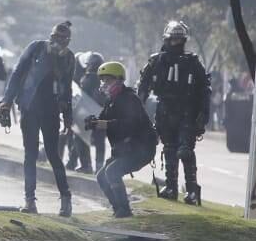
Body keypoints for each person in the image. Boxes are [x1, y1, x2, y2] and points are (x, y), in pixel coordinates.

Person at [0, 21, 75, 216]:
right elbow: (16, 74)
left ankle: (66, 200)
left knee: (53, 155)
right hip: (29, 108)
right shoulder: (36, 48)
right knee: (30, 155)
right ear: (51, 36)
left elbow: (67, 88)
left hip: (51, 111)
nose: (58, 42)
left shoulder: (69, 59)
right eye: (56, 37)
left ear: (68, 41)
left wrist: (68, 117)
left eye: (63, 39)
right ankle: (29, 201)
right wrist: (6, 101)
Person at [137, 20, 211, 205]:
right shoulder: (156, 61)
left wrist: (203, 114)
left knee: (185, 150)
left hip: (187, 111)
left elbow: (204, 89)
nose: (176, 44)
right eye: (173, 40)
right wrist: (140, 108)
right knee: (169, 149)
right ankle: (171, 187)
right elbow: (143, 85)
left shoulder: (193, 62)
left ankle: (192, 191)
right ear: (167, 40)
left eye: (180, 40)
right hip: (164, 110)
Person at [89, 61, 157, 218]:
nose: (105, 84)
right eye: (103, 80)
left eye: (108, 80)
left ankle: (125, 211)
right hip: (126, 150)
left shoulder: (129, 98)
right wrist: (92, 122)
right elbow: (103, 119)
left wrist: (104, 124)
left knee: (112, 171)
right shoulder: (111, 101)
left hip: (142, 149)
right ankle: (117, 209)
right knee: (101, 176)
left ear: (119, 80)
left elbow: (128, 125)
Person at [72, 52, 107, 173]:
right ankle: (99, 167)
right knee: (100, 142)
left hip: (88, 114)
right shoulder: (106, 79)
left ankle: (86, 165)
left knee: (80, 138)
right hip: (102, 115)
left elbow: (82, 95)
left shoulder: (87, 78)